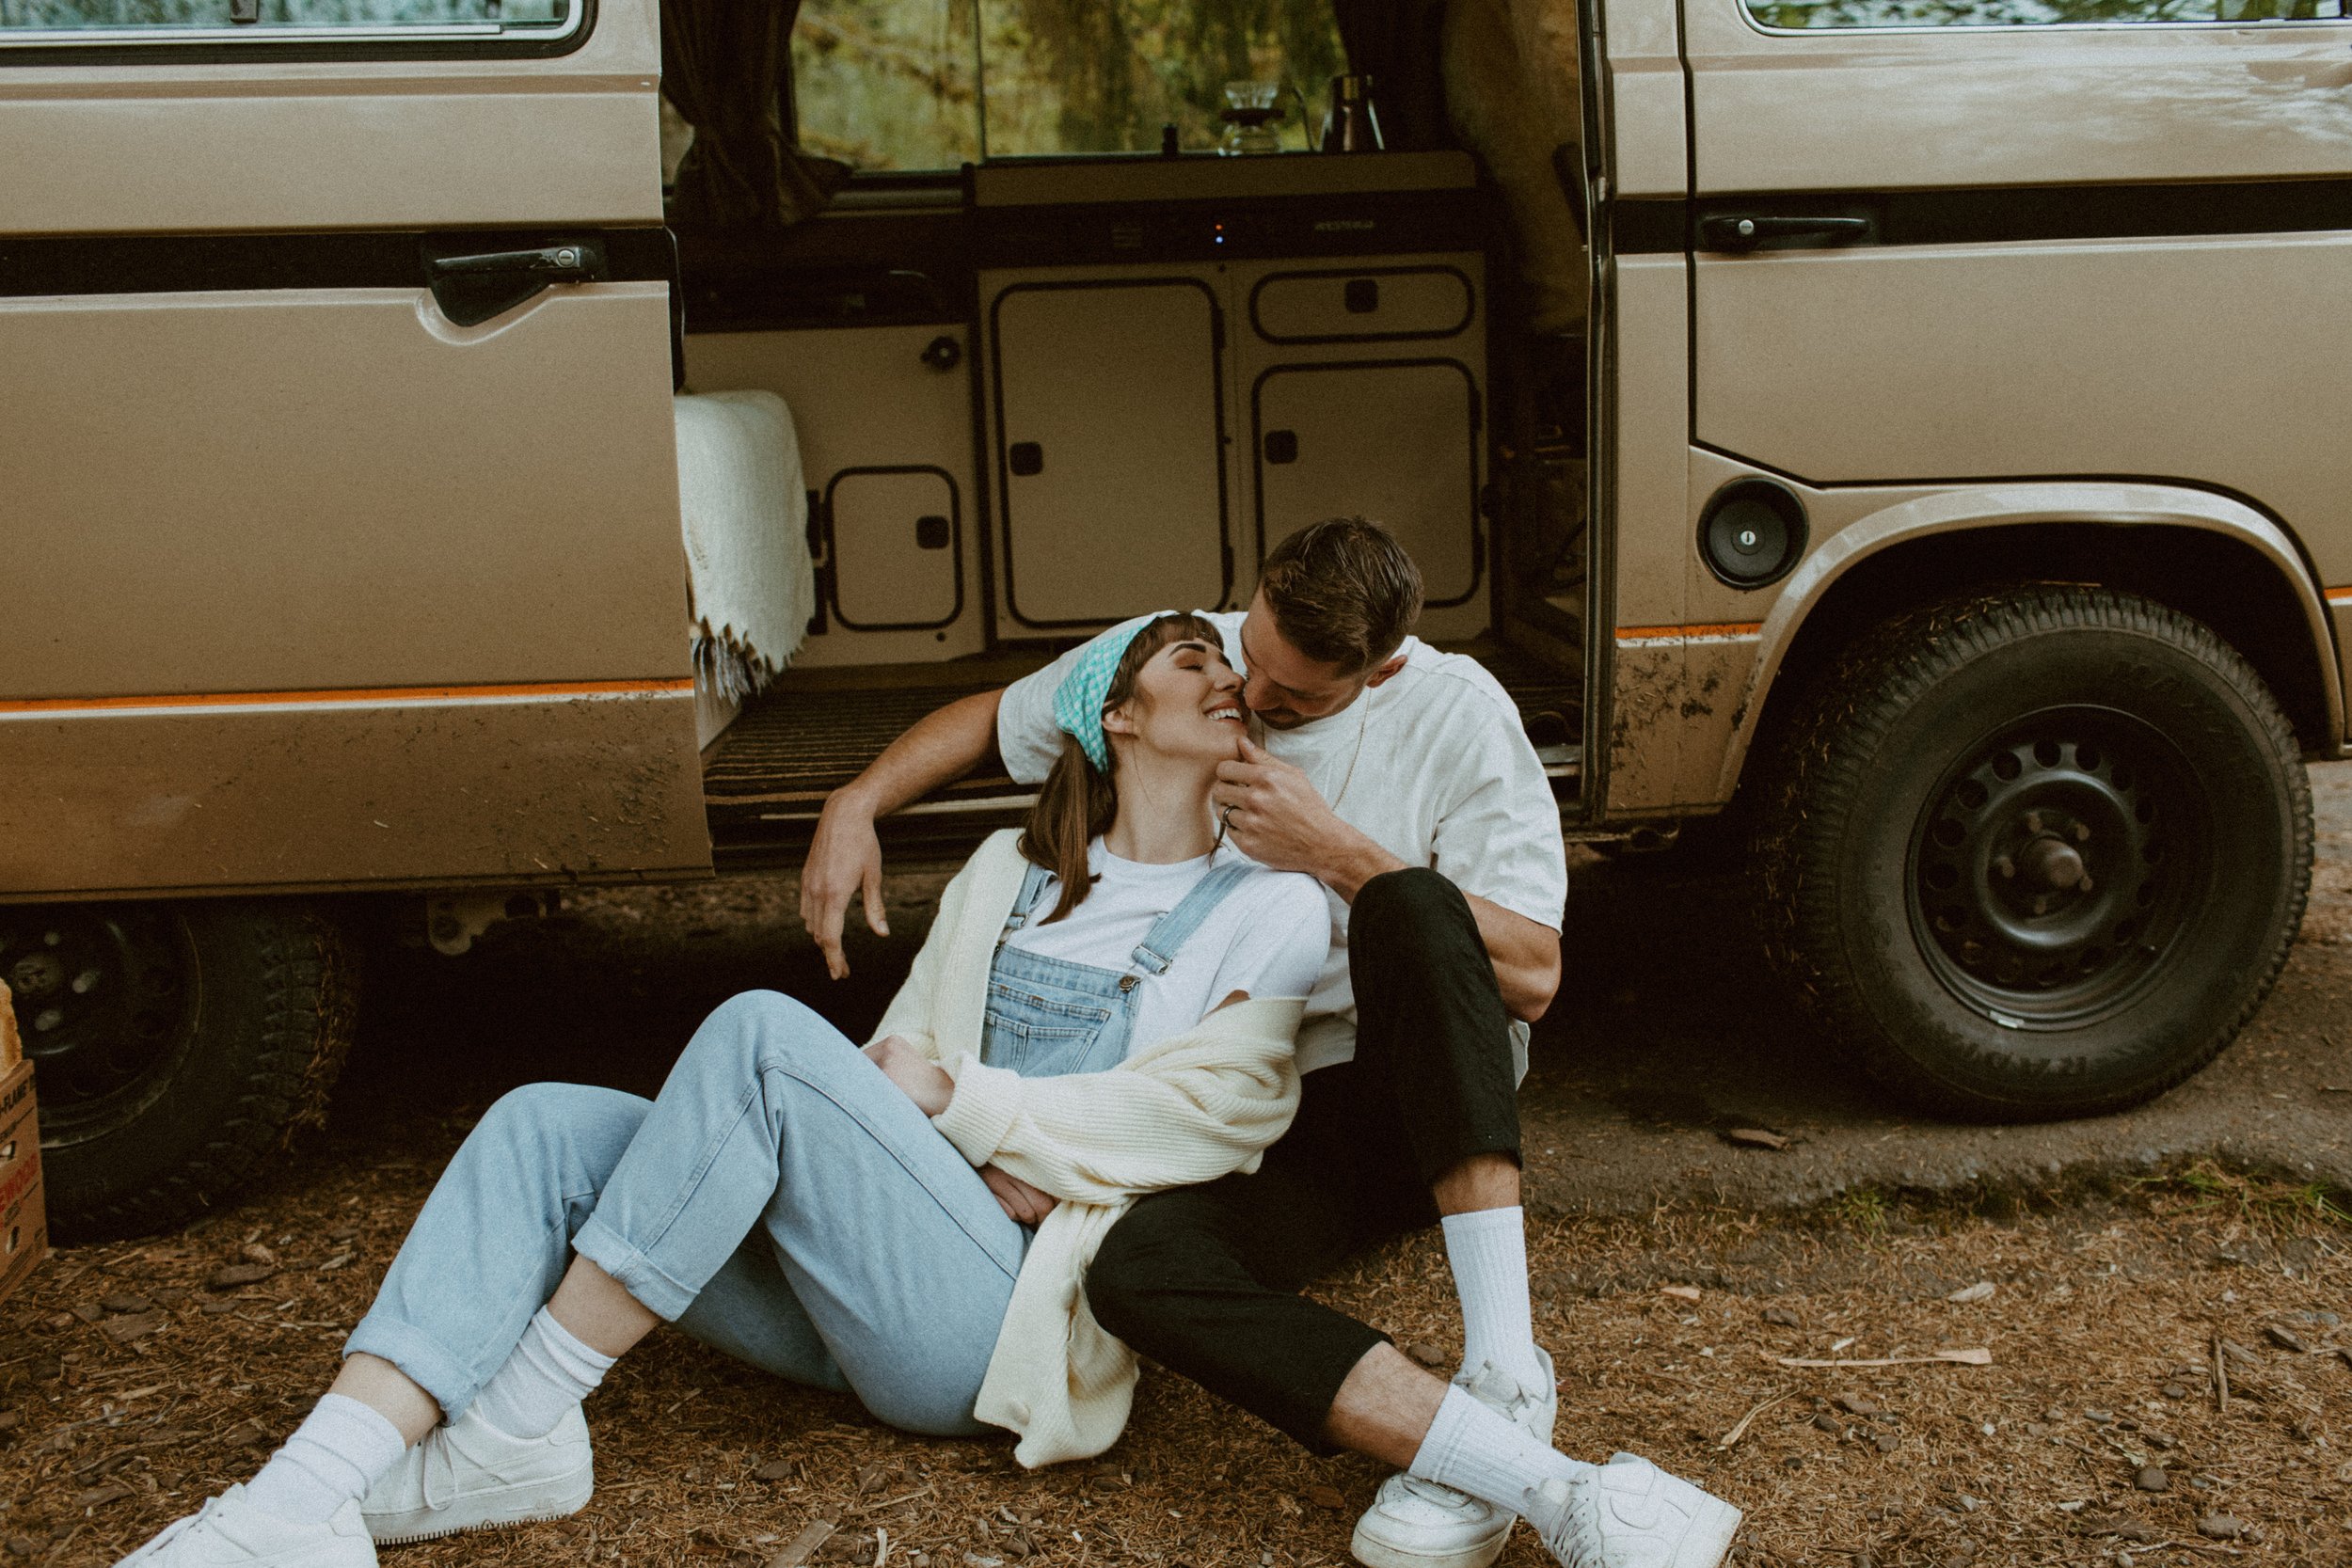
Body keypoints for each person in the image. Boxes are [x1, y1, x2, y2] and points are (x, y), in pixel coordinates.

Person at [119, 614, 1330, 1568]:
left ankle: (517, 1421)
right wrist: (934, 1127)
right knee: (543, 1122)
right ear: (1117, 713)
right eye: (1194, 658)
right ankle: (306, 1486)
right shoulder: (1007, 871)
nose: (1230, 676)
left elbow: (1215, 1117)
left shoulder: (1265, 902)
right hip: (879, 1273)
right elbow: (886, 1067)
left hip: (1000, 1328)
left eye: (1231, 666)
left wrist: (971, 1110)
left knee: (760, 1031)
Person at [802, 519, 1741, 1568]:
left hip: (1393, 1081)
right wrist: (858, 800)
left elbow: (1532, 973)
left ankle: (1504, 1364)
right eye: (1251, 656)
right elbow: (995, 716)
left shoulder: (1455, 712)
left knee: (1414, 906)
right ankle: (1489, 1454)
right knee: (1132, 1269)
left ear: (1380, 666)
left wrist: (1336, 851)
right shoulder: (1192, 658)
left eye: (1295, 696)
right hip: (1247, 1098)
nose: (1254, 696)